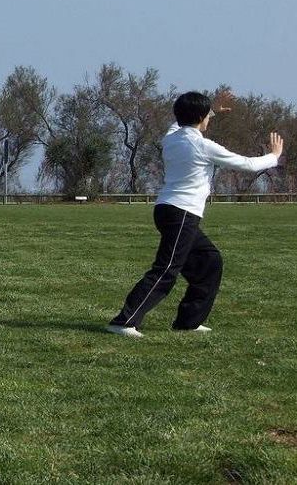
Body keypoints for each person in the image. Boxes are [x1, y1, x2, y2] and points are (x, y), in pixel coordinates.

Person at [106, 91, 283, 338]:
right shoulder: (202, 145)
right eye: (206, 116)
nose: (209, 119)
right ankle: (124, 321)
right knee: (167, 268)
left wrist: (211, 109)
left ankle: (188, 322)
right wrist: (274, 156)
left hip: (167, 209)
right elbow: (247, 164)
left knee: (210, 262)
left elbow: (181, 122)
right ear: (201, 118)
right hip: (182, 213)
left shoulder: (171, 138)